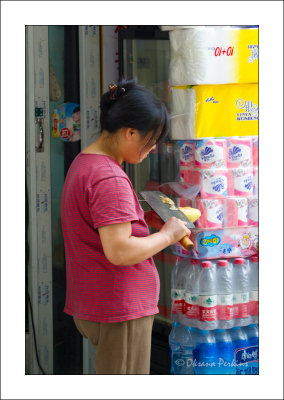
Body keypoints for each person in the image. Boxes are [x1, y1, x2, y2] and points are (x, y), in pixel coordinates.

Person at [61, 80, 191, 375]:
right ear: (130, 132)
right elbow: (120, 250)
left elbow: (101, 229)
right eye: (152, 138)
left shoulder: (85, 163)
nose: (154, 147)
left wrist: (144, 223)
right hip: (120, 310)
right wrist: (167, 235)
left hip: (97, 304)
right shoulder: (110, 178)